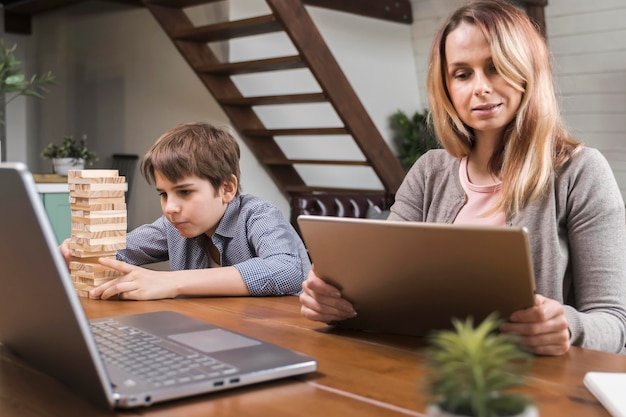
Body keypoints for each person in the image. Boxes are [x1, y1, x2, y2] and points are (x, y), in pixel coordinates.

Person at [299, 0, 626, 356]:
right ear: (447, 88)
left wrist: (568, 326)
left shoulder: (580, 172)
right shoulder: (428, 171)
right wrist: (334, 303)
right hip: (434, 374)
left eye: (495, 67)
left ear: (528, 71)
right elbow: (384, 292)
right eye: (462, 74)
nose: (480, 88)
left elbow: (615, 323)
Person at [61, 122, 311, 300]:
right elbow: (119, 252)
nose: (170, 208)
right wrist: (82, 250)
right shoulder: (174, 225)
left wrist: (171, 282)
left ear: (227, 188)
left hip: (278, 336)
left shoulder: (259, 214)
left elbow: (286, 270)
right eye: (163, 194)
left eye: (185, 192)